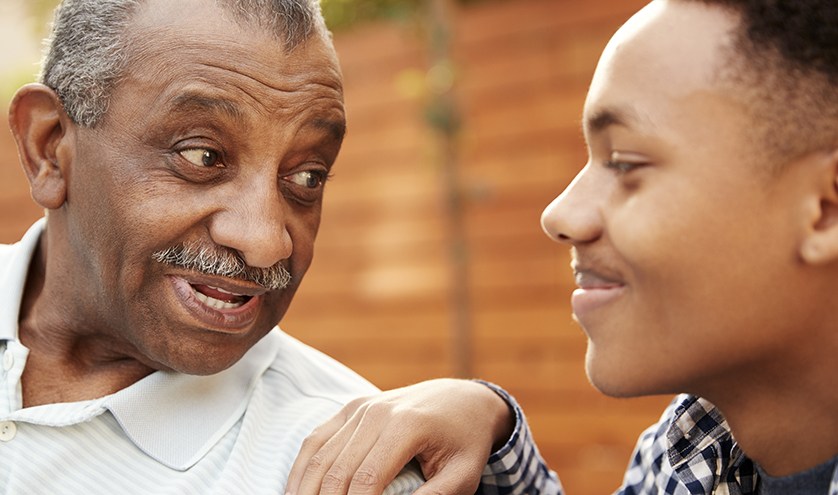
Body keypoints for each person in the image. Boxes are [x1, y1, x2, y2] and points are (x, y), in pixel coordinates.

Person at [285, 0, 838, 493]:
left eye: (624, 162)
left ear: (824, 210)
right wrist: (490, 423)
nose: (559, 214)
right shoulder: (692, 451)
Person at [0, 0, 437, 492]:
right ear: (49, 147)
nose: (266, 242)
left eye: (307, 177)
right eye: (203, 155)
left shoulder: (346, 467)